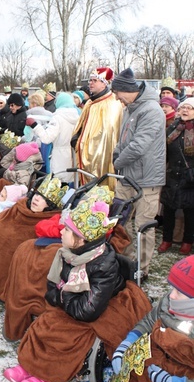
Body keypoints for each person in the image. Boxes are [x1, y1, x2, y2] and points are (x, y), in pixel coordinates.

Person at [3, 199, 149, 382]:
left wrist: (64, 294)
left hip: (99, 308)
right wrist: (64, 294)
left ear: (81, 240)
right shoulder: (67, 254)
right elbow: (52, 288)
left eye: (67, 230)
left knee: (64, 335)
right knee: (45, 322)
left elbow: (86, 311)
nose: (61, 231)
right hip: (76, 302)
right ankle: (28, 367)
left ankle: (47, 378)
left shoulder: (103, 266)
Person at [111, 255, 194, 382]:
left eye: (179, 292)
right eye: (172, 288)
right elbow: (149, 321)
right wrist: (127, 343)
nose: (171, 295)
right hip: (161, 364)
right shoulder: (169, 302)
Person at [112, 68, 166, 279]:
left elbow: (138, 146)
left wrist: (117, 161)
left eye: (117, 93)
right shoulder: (129, 108)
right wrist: (117, 154)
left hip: (146, 180)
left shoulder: (151, 110)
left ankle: (140, 269)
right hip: (126, 176)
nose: (116, 98)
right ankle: (125, 260)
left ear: (127, 90)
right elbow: (123, 139)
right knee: (119, 221)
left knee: (143, 226)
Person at [0, 174, 68, 301]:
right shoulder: (20, 207)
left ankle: (8, 287)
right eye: (37, 194)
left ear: (50, 205)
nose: (37, 199)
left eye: (43, 198)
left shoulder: (50, 219)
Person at [71, 67, 122, 189]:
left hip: (100, 155)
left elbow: (107, 134)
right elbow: (81, 125)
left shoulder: (112, 103)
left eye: (95, 80)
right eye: (90, 80)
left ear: (104, 84)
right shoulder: (89, 102)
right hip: (84, 153)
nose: (90, 83)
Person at [157, 97, 194, 255]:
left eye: (189, 108)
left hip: (190, 179)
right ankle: (167, 240)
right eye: (183, 107)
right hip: (172, 176)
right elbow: (163, 150)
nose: (185, 110)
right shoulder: (173, 127)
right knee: (169, 210)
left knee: (190, 213)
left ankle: (187, 242)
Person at [26, 92, 79, 183]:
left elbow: (47, 138)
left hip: (60, 156)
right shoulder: (77, 117)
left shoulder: (58, 118)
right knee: (69, 183)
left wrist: (34, 125)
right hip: (73, 156)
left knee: (57, 184)